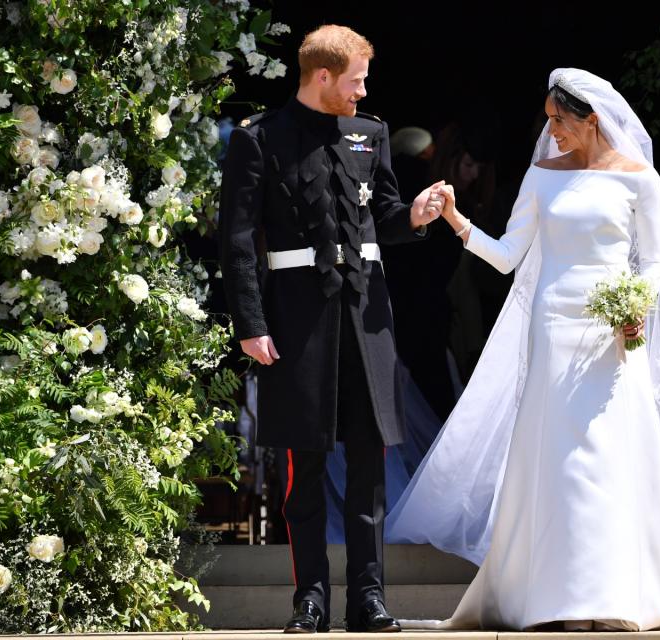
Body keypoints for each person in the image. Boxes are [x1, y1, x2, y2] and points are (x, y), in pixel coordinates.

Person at [385, 68, 660, 631]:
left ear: (592, 118)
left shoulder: (639, 179)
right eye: (548, 122)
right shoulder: (542, 175)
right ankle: (553, 599)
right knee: (555, 460)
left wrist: (637, 307)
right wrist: (458, 221)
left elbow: (657, 261)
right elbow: (510, 256)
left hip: (611, 333)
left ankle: (616, 596)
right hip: (552, 328)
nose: (551, 131)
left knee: (610, 456)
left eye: (559, 121)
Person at [218, 25, 445, 634]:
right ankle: (310, 599)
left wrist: (416, 217)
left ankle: (368, 599)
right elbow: (238, 241)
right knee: (306, 467)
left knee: (370, 463)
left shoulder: (370, 134)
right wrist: (250, 321)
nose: (363, 90)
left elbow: (386, 217)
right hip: (296, 318)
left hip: (366, 317)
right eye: (355, 80)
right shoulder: (259, 139)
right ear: (322, 76)